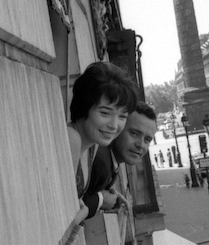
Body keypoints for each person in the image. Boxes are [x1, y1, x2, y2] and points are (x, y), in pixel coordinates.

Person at [67, 61, 138, 224]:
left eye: (122, 116)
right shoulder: (72, 139)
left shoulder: (92, 146)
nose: (114, 125)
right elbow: (64, 221)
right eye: (105, 113)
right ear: (84, 106)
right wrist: (84, 212)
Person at [83, 101, 157, 218]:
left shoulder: (108, 159)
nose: (141, 145)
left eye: (147, 139)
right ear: (118, 128)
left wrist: (108, 195)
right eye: (134, 133)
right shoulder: (101, 162)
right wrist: (101, 200)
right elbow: (71, 211)